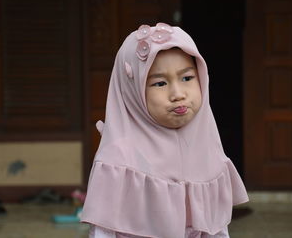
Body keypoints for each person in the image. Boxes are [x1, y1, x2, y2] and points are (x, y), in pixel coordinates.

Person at [81, 23, 249, 238]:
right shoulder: (118, 158)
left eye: (187, 78)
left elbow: (216, 229)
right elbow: (103, 231)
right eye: (160, 83)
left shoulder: (207, 150)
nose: (178, 94)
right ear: (132, 90)